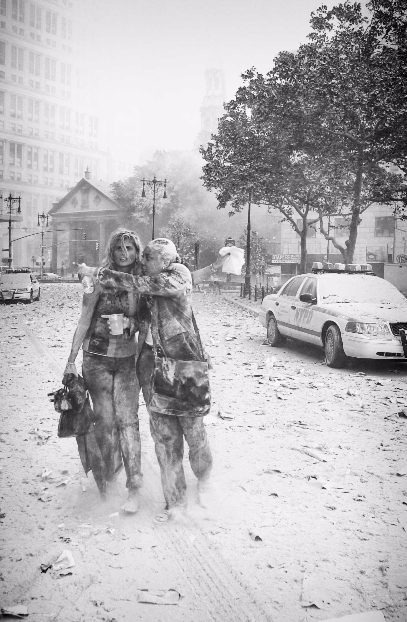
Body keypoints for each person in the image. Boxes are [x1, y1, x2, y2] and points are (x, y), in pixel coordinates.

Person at [79, 238, 215, 522]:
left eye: (148, 257)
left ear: (164, 261)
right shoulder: (148, 284)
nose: (143, 262)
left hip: (184, 367)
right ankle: (175, 501)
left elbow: (145, 285)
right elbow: (139, 316)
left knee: (194, 431)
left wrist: (97, 272)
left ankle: (203, 479)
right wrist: (127, 324)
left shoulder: (178, 275)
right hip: (151, 365)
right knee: (165, 438)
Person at [63, 228, 143, 513]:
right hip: (96, 360)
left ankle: (135, 487)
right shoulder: (98, 279)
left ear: (137, 250)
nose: (124, 254)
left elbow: (148, 319)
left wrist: (132, 325)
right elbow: (84, 319)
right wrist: (71, 359)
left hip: (126, 361)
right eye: (119, 248)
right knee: (105, 421)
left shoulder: (140, 281)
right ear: (112, 250)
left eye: (130, 248)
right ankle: (106, 478)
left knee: (128, 421)